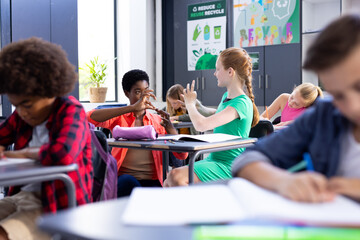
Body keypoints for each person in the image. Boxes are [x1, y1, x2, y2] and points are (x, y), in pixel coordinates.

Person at [232, 14, 360, 203]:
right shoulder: (324, 116)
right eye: (338, 95)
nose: (353, 106)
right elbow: (246, 160)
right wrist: (283, 181)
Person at [0, 37, 93, 240]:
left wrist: (20, 154)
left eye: (27, 104)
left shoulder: (71, 110)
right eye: (17, 106)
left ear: (49, 90)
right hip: (21, 196)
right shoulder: (23, 115)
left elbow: (63, 154)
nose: (22, 112)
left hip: (56, 204)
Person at [164, 47, 259, 186]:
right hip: (214, 159)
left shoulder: (242, 103)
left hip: (228, 165)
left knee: (175, 176)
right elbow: (216, 114)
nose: (215, 73)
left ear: (230, 71)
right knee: (168, 181)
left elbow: (201, 125)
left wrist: (190, 105)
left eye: (218, 69)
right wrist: (196, 106)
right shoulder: (227, 97)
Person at [87, 69, 188, 197]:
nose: (142, 97)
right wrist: (132, 108)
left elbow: (182, 156)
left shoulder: (157, 120)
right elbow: (88, 117)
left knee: (156, 195)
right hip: (124, 178)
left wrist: (171, 129)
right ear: (126, 93)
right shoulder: (120, 117)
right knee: (128, 183)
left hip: (152, 180)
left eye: (146, 91)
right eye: (137, 92)